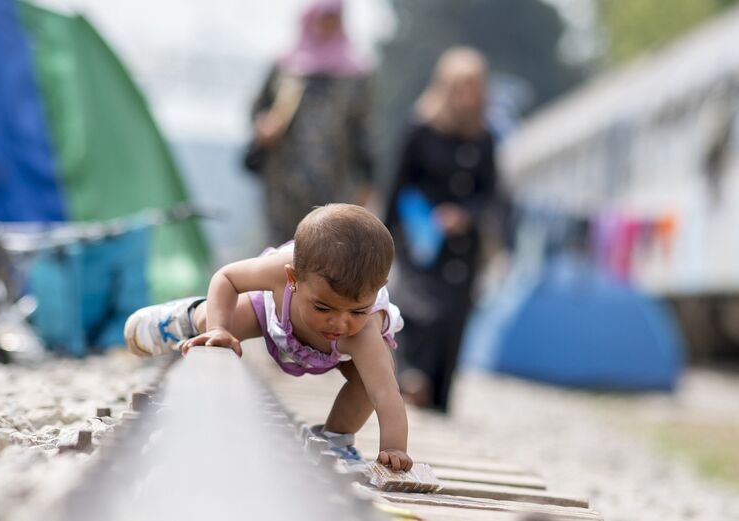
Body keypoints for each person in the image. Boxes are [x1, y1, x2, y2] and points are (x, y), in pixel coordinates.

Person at [124, 204, 412, 471]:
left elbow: (385, 393)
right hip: (275, 313)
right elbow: (227, 278)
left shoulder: (362, 333)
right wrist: (218, 328)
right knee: (222, 320)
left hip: (338, 353)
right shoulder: (279, 271)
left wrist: (394, 448)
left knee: (369, 379)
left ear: (377, 291)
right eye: (323, 307)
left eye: (358, 310)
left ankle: (336, 439)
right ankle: (188, 316)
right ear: (293, 279)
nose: (340, 322)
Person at [385, 47, 499, 413]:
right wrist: (384, 239)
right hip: (418, 238)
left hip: (461, 246)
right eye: (459, 88)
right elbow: (397, 186)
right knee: (419, 310)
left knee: (453, 317)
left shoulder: (485, 138)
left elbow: (491, 193)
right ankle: (408, 377)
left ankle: (437, 398)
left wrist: (464, 215)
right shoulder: (420, 129)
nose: (466, 97)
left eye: (473, 88)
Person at [248, 0, 375, 244]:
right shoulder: (286, 66)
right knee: (279, 248)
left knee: (325, 247)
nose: (326, 25)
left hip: (332, 180)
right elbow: (259, 108)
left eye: (333, 18)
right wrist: (264, 125)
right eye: (323, 18)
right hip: (282, 182)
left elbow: (363, 129)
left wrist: (367, 179)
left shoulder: (356, 74)